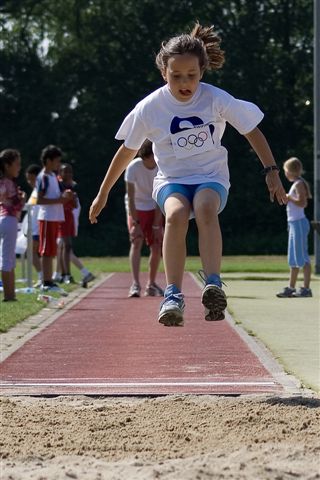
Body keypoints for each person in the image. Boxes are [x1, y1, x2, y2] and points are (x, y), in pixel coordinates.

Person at [89, 22, 287, 327]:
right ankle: (173, 295)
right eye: (176, 76)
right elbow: (127, 151)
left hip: (211, 175)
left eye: (192, 76)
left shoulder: (215, 99)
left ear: (202, 72)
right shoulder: (150, 108)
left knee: (206, 207)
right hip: (171, 179)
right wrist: (103, 193)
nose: (185, 83)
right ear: (163, 73)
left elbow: (252, 132)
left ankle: (213, 284)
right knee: (176, 215)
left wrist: (271, 171)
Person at [125, 139, 164, 297]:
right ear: (147, 156)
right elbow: (131, 198)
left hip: (155, 207)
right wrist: (136, 223)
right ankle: (135, 284)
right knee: (137, 242)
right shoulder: (133, 167)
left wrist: (156, 226)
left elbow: (159, 198)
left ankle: (151, 284)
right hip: (136, 209)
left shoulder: (161, 167)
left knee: (156, 246)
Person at [53, 163, 95, 287]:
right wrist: (67, 197)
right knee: (65, 245)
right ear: (60, 173)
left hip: (69, 217)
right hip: (60, 217)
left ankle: (62, 274)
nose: (68, 174)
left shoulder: (72, 186)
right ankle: (65, 274)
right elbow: (61, 200)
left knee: (65, 246)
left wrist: (72, 197)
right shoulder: (58, 185)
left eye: (70, 172)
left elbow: (75, 204)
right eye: (65, 172)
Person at [277, 157, 312, 298]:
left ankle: (306, 289)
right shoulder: (296, 184)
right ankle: (291, 287)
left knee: (302, 256)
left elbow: (303, 203)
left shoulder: (298, 184)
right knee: (293, 257)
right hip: (293, 223)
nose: (285, 174)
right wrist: (288, 199)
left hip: (299, 223)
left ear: (291, 171)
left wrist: (289, 198)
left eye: (286, 171)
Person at [36, 145, 69, 292]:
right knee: (46, 250)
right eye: (56, 161)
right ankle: (46, 282)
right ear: (48, 161)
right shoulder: (43, 177)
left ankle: (49, 280)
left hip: (54, 217)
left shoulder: (53, 176)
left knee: (51, 250)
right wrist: (59, 200)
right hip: (47, 217)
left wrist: (66, 197)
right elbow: (39, 200)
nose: (58, 164)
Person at [0, 149, 25, 301]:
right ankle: (10, 295)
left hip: (1, 218)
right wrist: (22, 198)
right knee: (8, 259)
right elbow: (16, 205)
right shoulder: (10, 183)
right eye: (17, 164)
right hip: (9, 220)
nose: (19, 167)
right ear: (7, 165)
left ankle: (10, 294)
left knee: (4, 258)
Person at [25, 164, 42, 287]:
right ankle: (43, 277)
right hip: (32, 227)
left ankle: (43, 277)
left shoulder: (40, 191)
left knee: (31, 253)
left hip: (36, 228)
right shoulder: (35, 191)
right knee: (32, 253)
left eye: (31, 178)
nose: (29, 182)